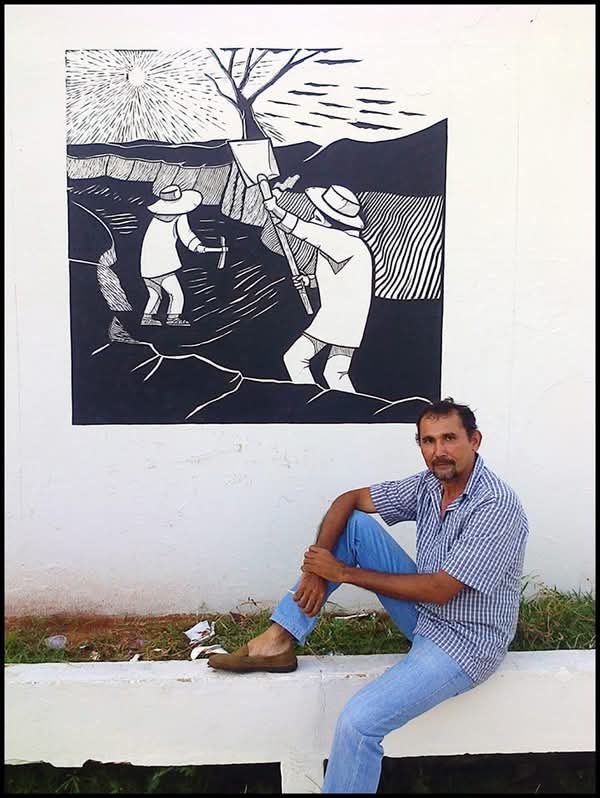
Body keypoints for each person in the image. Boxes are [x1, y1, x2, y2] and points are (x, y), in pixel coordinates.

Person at [208, 398, 529, 793]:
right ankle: (278, 640)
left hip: (464, 643)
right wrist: (316, 569)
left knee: (358, 724)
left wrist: (342, 573)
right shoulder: (429, 484)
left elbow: (441, 589)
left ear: (474, 440)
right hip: (425, 616)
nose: (438, 451)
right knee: (355, 525)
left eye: (449, 438)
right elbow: (348, 500)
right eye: (428, 441)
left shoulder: (495, 505)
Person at [263, 184, 373, 393]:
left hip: (336, 317)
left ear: (330, 220)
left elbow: (304, 230)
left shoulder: (344, 242)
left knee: (295, 359)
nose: (313, 216)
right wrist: (308, 281)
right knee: (336, 372)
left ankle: (311, 402)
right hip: (349, 320)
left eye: (318, 214)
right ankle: (352, 409)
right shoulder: (344, 245)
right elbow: (339, 277)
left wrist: (275, 209)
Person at [140, 184, 226, 327]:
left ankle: (146, 319)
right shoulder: (179, 216)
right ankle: (173, 319)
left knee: (155, 294)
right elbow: (187, 236)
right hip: (163, 266)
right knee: (176, 294)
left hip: (146, 266)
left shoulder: (155, 219)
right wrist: (200, 247)